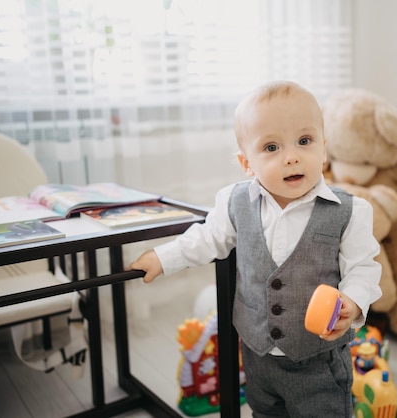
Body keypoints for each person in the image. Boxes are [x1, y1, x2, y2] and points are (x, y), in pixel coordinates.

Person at [129, 80, 382, 417]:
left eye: (304, 141)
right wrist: (162, 258)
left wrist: (351, 301)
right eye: (272, 148)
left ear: (324, 148)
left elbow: (363, 268)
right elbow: (206, 239)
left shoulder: (350, 211)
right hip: (257, 357)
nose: (292, 157)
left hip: (318, 361)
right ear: (246, 162)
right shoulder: (235, 203)